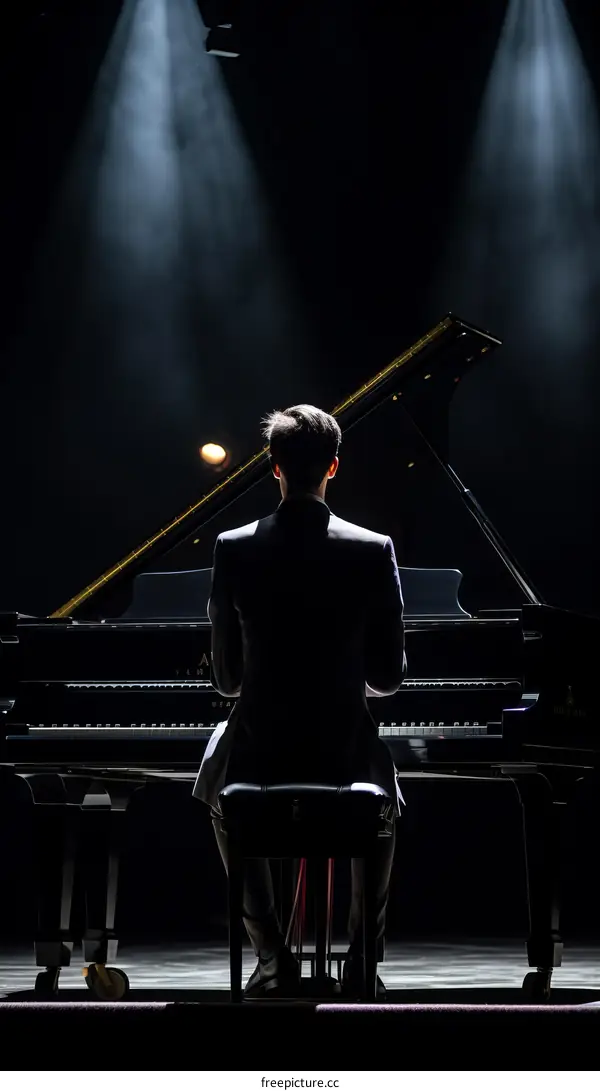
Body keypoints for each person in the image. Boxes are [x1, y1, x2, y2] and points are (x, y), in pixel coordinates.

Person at [193, 404, 406, 997]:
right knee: (384, 804)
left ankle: (271, 956)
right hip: (341, 749)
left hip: (262, 750)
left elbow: (227, 682)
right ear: (333, 467)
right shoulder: (374, 549)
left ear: (273, 466)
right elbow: (389, 678)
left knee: (216, 786)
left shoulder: (233, 548)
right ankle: (362, 961)